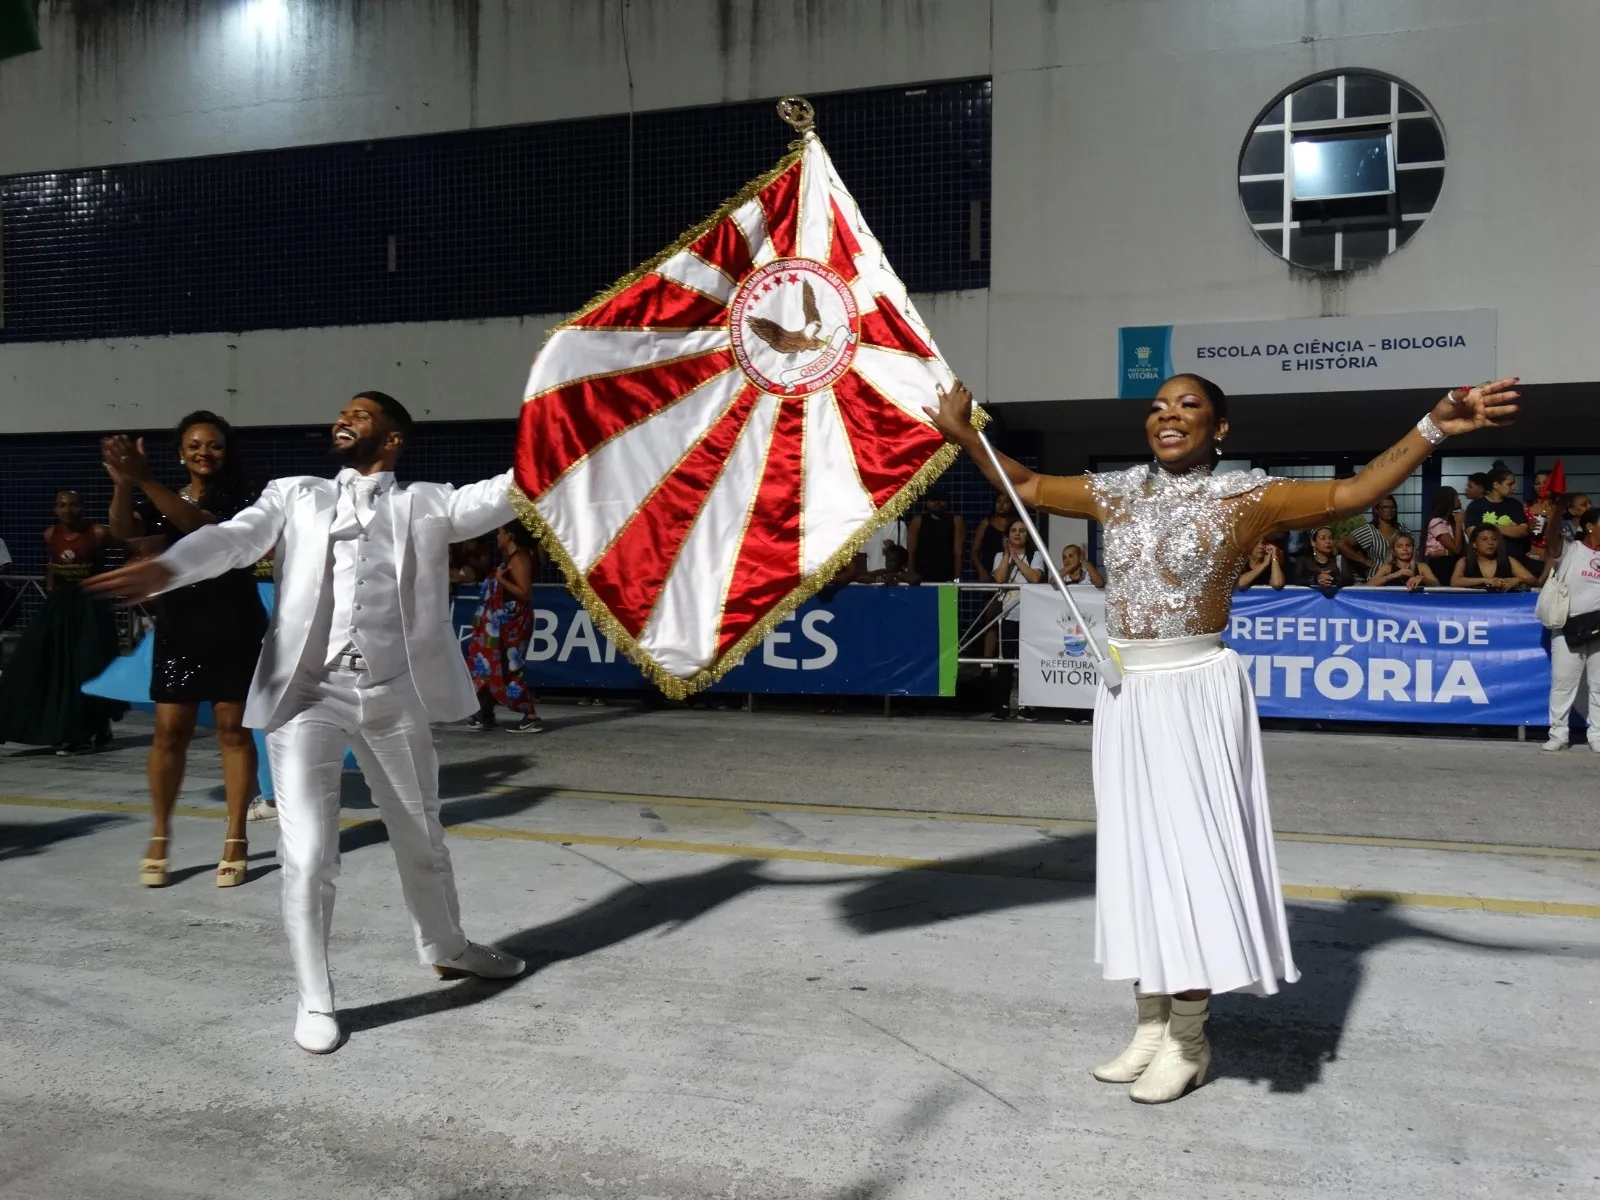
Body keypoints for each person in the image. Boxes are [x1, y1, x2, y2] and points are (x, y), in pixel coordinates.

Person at [926, 370, 1520, 1104]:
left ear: (1220, 428)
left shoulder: (1246, 495)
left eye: (1188, 406)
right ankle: (1149, 1024)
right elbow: (1027, 484)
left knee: (1192, 863)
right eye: (1158, 407)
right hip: (1127, 695)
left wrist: (1435, 425)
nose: (1168, 417)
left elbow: (1351, 496)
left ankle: (1190, 1036)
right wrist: (967, 436)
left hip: (1192, 692)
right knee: (1138, 858)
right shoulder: (1117, 490)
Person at [88, 391, 526, 1055]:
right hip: (307, 695)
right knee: (311, 851)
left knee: (421, 834)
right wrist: (169, 570)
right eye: (340, 413)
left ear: (394, 437)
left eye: (359, 413)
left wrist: (579, 430)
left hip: (391, 692)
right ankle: (315, 998)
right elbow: (232, 540)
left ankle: (447, 945)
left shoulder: (427, 503)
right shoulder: (294, 494)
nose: (341, 420)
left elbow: (509, 492)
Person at [102, 413, 270, 889]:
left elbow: (202, 529)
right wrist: (122, 485)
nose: (203, 453)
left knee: (231, 729)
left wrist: (146, 479)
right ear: (180, 452)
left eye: (214, 445)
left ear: (227, 452)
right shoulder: (160, 495)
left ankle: (236, 835)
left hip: (234, 624)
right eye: (194, 445)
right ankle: (160, 832)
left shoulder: (246, 498)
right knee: (169, 729)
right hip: (180, 626)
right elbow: (124, 533)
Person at [0, 490, 123, 754]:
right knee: (41, 664)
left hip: (90, 607)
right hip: (59, 606)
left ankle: (86, 729)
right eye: (62, 505)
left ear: (84, 507)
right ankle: (67, 727)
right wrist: (51, 581)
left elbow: (129, 549)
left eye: (74, 504)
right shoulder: (50, 535)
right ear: (55, 509)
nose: (68, 510)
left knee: (87, 667)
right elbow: (53, 564)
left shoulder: (99, 533)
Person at [466, 522, 542, 734]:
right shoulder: (509, 559)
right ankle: (484, 713)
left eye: (499, 532)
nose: (496, 535)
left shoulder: (519, 559)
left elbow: (525, 593)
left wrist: (501, 580)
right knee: (490, 663)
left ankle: (530, 715)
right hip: (501, 623)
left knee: (509, 666)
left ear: (510, 535)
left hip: (513, 623)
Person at [1542, 509, 1600, 752]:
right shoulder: (1572, 549)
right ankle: (1558, 734)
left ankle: (1597, 734)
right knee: (1563, 683)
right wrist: (1557, 510)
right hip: (1570, 626)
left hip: (1599, 628)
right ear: (1588, 526)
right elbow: (1551, 540)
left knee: (1598, 685)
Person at [990, 519, 1045, 721]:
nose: (1017, 534)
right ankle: (1002, 706)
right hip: (1008, 617)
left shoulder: (1036, 556)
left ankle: (1026, 707)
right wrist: (1007, 555)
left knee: (1027, 664)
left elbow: (1034, 578)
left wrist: (1018, 558)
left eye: (1022, 531)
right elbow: (1000, 578)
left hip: (1030, 618)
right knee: (1005, 663)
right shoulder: (999, 556)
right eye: (1013, 530)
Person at [1463, 461, 1531, 563]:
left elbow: (1522, 531)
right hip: (1486, 562)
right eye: (1510, 484)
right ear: (1496, 484)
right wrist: (1510, 528)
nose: (1513, 488)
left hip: (1515, 559)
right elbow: (1473, 533)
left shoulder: (1515, 505)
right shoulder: (1475, 506)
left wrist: (1488, 526)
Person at [1339, 495, 1407, 582]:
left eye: (1392, 507)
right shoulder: (1370, 530)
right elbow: (1342, 544)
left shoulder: (1402, 528)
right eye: (1384, 508)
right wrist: (1363, 560)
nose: (1389, 511)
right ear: (1376, 510)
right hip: (1377, 580)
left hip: (1402, 580)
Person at [1449, 526, 1537, 591]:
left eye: (1494, 539)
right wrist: (1486, 581)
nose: (1490, 543)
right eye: (1484, 539)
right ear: (1474, 544)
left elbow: (1533, 581)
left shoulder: (1508, 560)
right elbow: (1455, 582)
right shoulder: (1464, 562)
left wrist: (1518, 580)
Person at [907, 486, 964, 583]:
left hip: (948, 578)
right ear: (927, 503)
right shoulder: (917, 522)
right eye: (933, 499)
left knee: (947, 599)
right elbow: (911, 552)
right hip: (921, 579)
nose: (937, 503)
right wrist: (911, 576)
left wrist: (957, 579)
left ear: (947, 502)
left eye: (941, 499)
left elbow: (958, 553)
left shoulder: (956, 521)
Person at [1366, 532, 1439, 590]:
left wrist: (1423, 579)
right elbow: (1368, 585)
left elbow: (1438, 586)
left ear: (1413, 548)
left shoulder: (1422, 567)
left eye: (1408, 545)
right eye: (1399, 546)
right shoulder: (1387, 567)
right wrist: (1393, 575)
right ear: (1393, 551)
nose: (1405, 549)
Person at [1423, 485, 1464, 581]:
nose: (1459, 500)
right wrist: (1459, 523)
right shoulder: (1437, 521)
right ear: (1449, 500)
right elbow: (1456, 549)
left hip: (1451, 562)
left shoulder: (1449, 520)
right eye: (1456, 497)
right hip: (1441, 565)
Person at [1291, 526, 1351, 590]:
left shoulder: (1339, 560)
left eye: (1330, 538)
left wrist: (1331, 580)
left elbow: (1349, 581)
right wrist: (1316, 579)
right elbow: (1297, 581)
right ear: (1313, 542)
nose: (1328, 541)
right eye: (1323, 538)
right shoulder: (1302, 560)